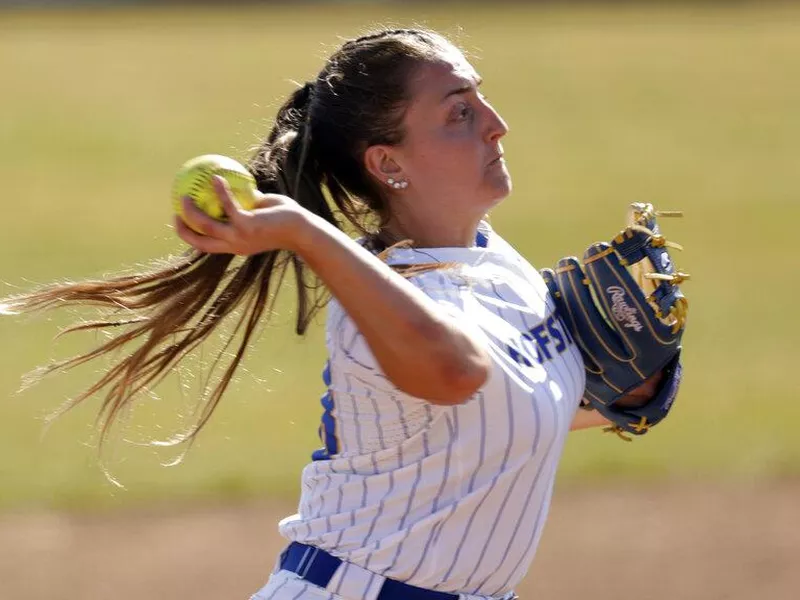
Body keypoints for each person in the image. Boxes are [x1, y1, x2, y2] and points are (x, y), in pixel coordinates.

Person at [1, 28, 661, 600]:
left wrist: (628, 392)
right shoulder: (378, 313)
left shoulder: (498, 263)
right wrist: (305, 233)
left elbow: (498, 415)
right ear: (387, 162)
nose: (496, 122)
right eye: (459, 112)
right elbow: (456, 372)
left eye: (481, 96)